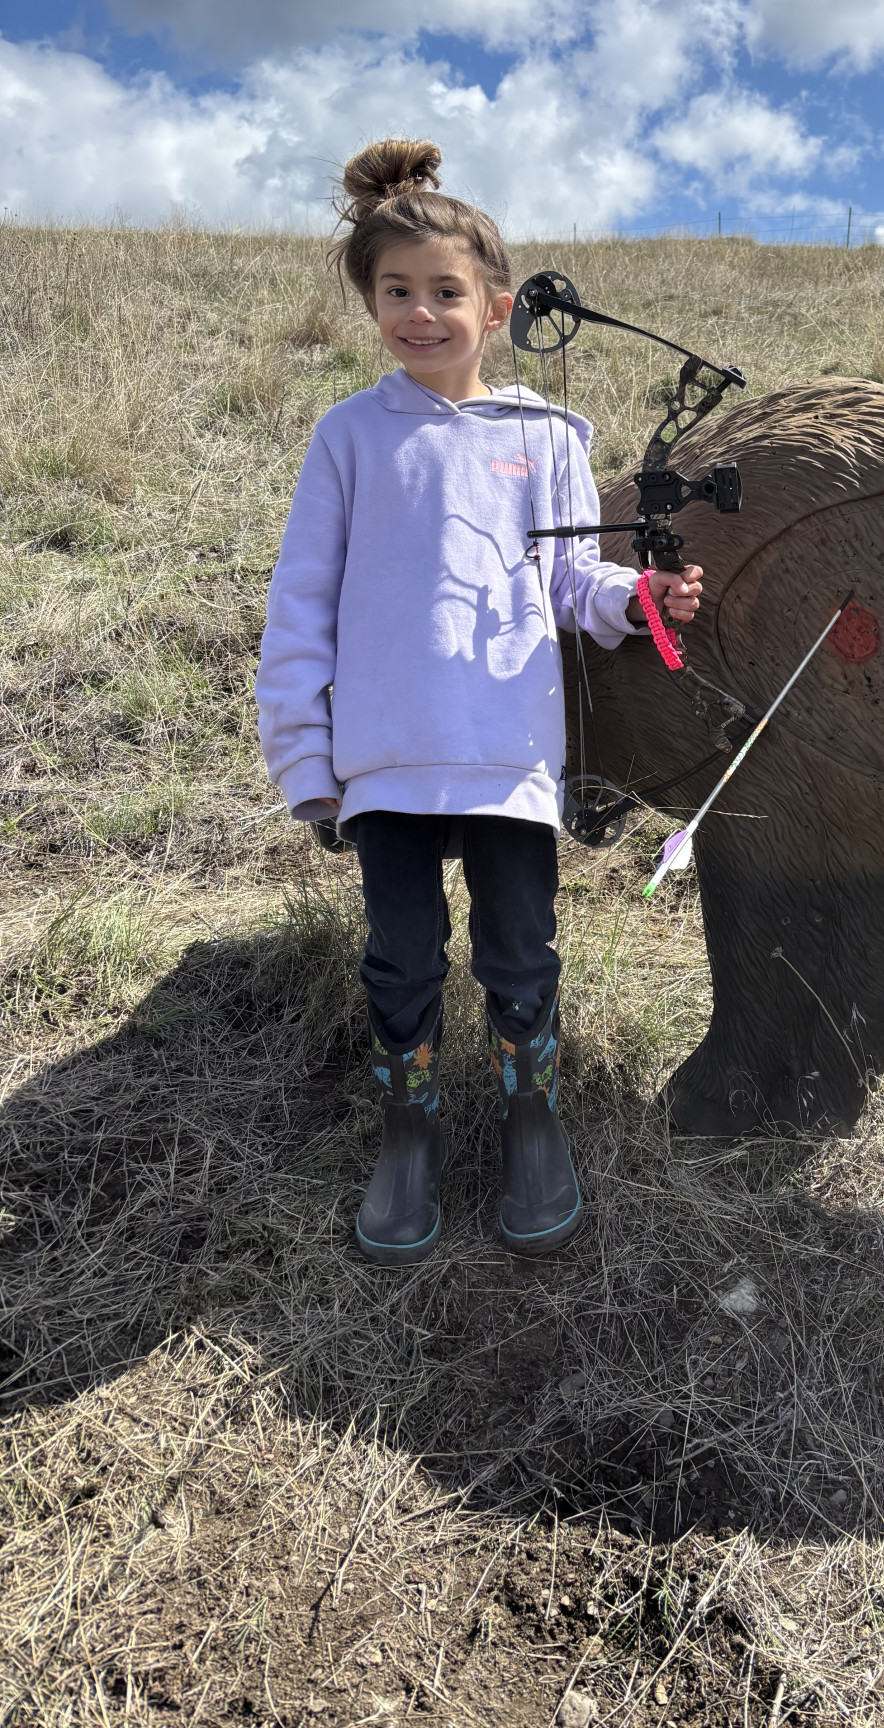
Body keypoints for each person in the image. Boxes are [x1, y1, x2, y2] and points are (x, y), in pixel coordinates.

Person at [255, 140, 702, 1266]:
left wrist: (641, 597)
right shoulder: (349, 436)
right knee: (400, 956)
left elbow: (572, 583)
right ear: (371, 302)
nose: (421, 313)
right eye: (396, 291)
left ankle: (530, 1117)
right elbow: (301, 605)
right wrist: (306, 758)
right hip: (387, 759)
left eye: (445, 292)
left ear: (497, 308)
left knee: (520, 950)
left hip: (508, 755)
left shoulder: (545, 437)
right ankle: (408, 1129)